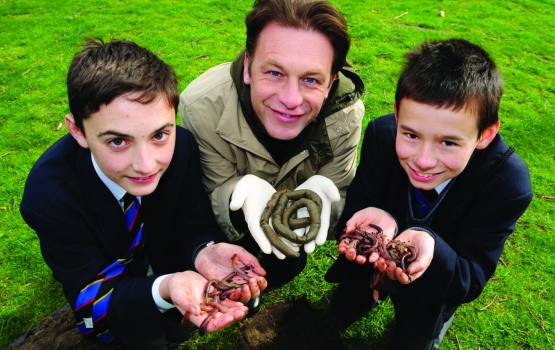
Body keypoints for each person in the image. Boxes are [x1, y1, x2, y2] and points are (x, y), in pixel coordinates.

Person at [20, 39, 267, 350]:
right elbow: (90, 295)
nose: (147, 164)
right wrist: (164, 288)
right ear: (78, 131)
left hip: (165, 266)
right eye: (118, 142)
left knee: (176, 332)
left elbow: (193, 223)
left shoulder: (183, 149)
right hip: (109, 284)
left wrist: (205, 250)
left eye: (160, 135)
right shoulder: (49, 200)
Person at [325, 38, 533, 349]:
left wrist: (433, 249)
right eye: (410, 134)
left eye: (448, 142)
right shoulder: (382, 136)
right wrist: (375, 219)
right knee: (338, 312)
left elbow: (470, 278)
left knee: (413, 339)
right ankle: (349, 307)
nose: (423, 160)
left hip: (435, 288)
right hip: (366, 266)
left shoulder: (507, 183)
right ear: (397, 115)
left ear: (485, 134)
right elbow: (356, 208)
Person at [179, 0, 365, 293]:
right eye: (275, 73)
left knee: (285, 267)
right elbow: (211, 191)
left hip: (294, 233)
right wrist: (236, 197)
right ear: (248, 68)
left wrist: (326, 201)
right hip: (230, 232)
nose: (291, 99)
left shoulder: (347, 115)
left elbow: (338, 192)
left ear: (330, 84)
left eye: (311, 79)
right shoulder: (202, 105)